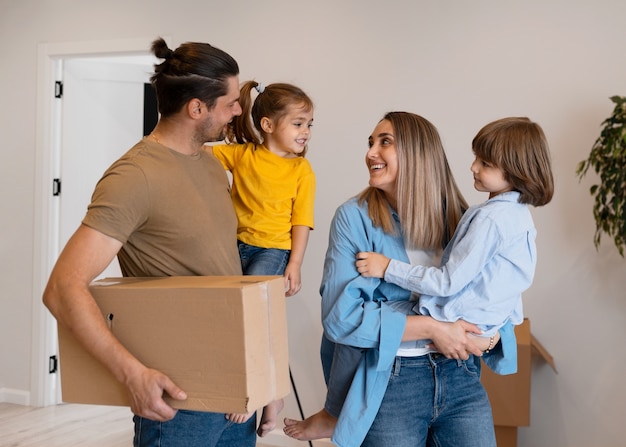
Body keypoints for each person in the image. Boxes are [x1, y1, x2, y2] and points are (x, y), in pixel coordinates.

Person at [42, 37, 257, 447]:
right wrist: (131, 373)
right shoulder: (133, 176)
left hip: (234, 391)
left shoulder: (212, 166)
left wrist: (260, 380)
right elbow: (61, 288)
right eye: (231, 102)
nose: (238, 111)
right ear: (197, 108)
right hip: (179, 400)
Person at [284, 112, 518, 447]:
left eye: (385, 142)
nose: (370, 153)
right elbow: (341, 318)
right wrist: (434, 328)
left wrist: (490, 337)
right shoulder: (354, 218)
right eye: (370, 143)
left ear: (417, 153)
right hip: (392, 381)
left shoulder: (462, 217)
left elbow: (499, 289)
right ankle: (334, 414)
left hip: (459, 375)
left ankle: (333, 415)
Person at [357, 116, 555, 340]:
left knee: (374, 317)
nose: (473, 167)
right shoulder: (521, 217)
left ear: (517, 171)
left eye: (485, 164)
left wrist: (386, 268)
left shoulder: (491, 220)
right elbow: (512, 290)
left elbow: (447, 282)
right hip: (487, 325)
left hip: (459, 321)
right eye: (476, 158)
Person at [209, 81, 316, 436]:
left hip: (272, 251)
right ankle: (270, 393)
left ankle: (259, 395)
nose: (306, 132)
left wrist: (295, 264)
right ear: (268, 125)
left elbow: (301, 221)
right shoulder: (243, 155)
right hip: (234, 246)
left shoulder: (301, 171)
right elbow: (195, 154)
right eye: (298, 123)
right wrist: (223, 126)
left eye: (309, 124)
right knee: (239, 320)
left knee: (254, 318)